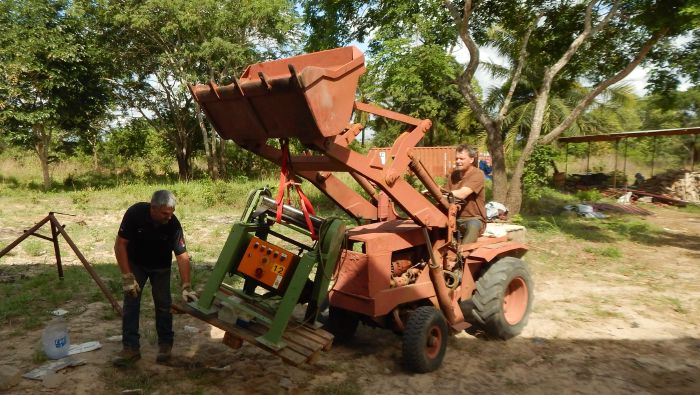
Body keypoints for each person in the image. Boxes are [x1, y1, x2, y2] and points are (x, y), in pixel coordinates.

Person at [112, 190, 198, 367]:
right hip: (136, 264)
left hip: (161, 267)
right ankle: (131, 349)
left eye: (172, 212)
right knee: (131, 302)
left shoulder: (173, 224)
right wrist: (127, 276)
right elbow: (120, 245)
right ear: (153, 208)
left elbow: (182, 255)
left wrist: (186, 285)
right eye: (165, 213)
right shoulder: (135, 214)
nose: (169, 217)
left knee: (163, 304)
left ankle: (165, 346)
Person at [448, 145, 487, 243]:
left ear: (471, 160)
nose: (458, 161)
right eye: (456, 158)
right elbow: (445, 195)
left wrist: (440, 192)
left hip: (473, 218)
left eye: (461, 159)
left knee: (473, 226)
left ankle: (462, 255)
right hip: (453, 217)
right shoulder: (453, 175)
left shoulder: (478, 174)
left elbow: (462, 194)